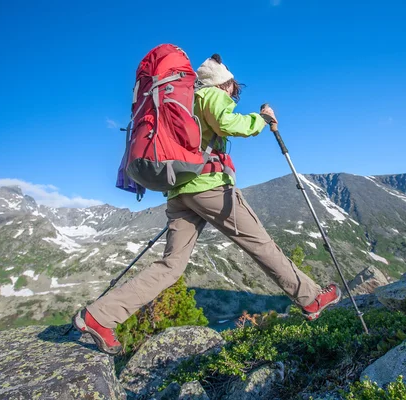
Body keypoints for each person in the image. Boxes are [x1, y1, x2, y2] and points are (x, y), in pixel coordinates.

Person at [74, 54, 341, 354]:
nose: (233, 93)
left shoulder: (185, 101)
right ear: (224, 82)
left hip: (178, 191)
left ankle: (99, 316)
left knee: (170, 267)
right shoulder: (210, 95)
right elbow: (228, 124)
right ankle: (311, 298)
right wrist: (262, 120)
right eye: (232, 87)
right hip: (211, 188)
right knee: (260, 244)